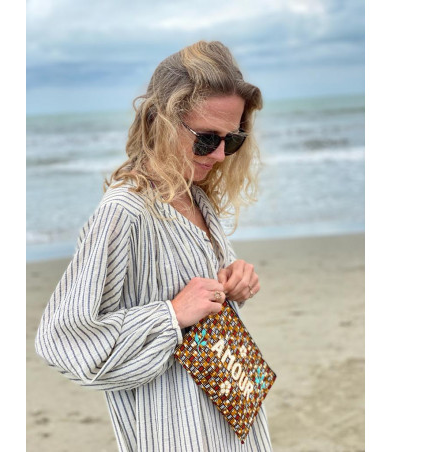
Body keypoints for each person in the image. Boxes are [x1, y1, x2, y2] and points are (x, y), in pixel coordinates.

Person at [35, 40, 273, 451]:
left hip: (232, 417)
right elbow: (63, 340)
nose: (220, 155)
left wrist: (235, 281)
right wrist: (171, 314)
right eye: (206, 139)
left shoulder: (195, 197)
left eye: (232, 140)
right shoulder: (125, 211)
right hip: (176, 431)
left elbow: (197, 298)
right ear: (161, 121)